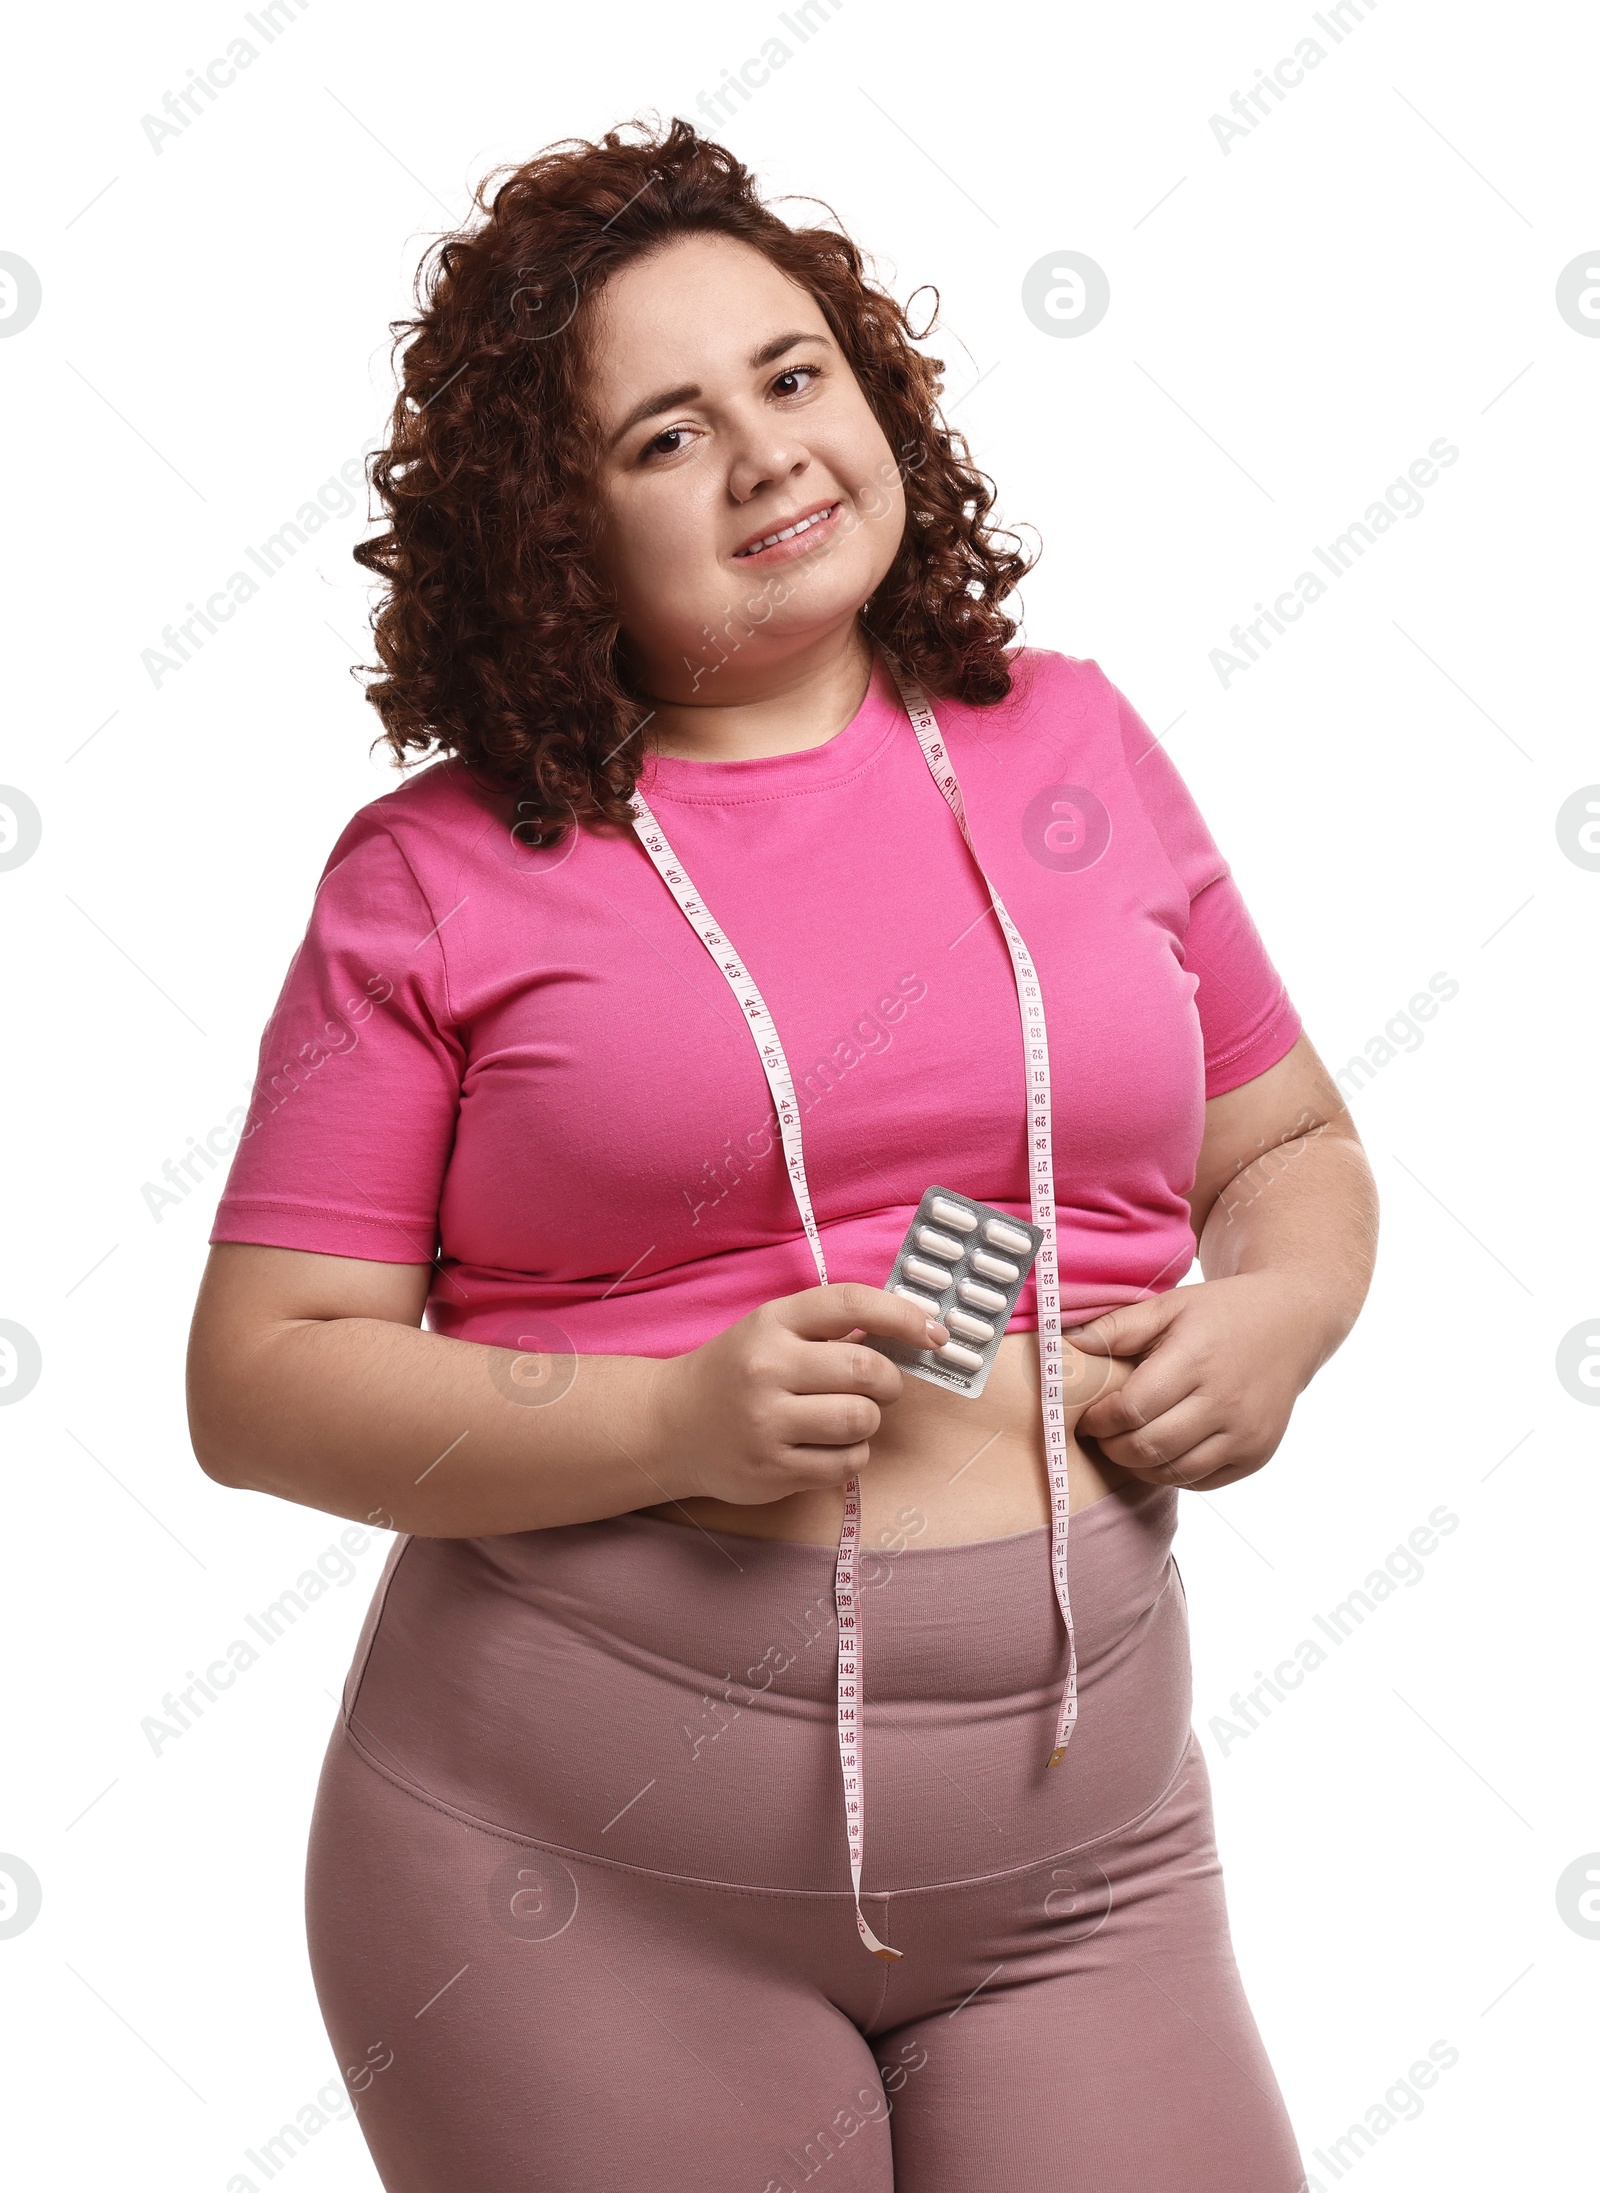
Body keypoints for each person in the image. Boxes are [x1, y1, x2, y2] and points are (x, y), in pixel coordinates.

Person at [187, 115, 1376, 2192]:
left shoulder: (1067, 743)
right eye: (661, 435)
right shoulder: (433, 880)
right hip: (570, 1885)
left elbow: (1282, 1135)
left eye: (791, 373)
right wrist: (667, 1414)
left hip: (1079, 1878)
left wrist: (1276, 1308)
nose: (763, 458)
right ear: (547, 525)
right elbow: (259, 1374)